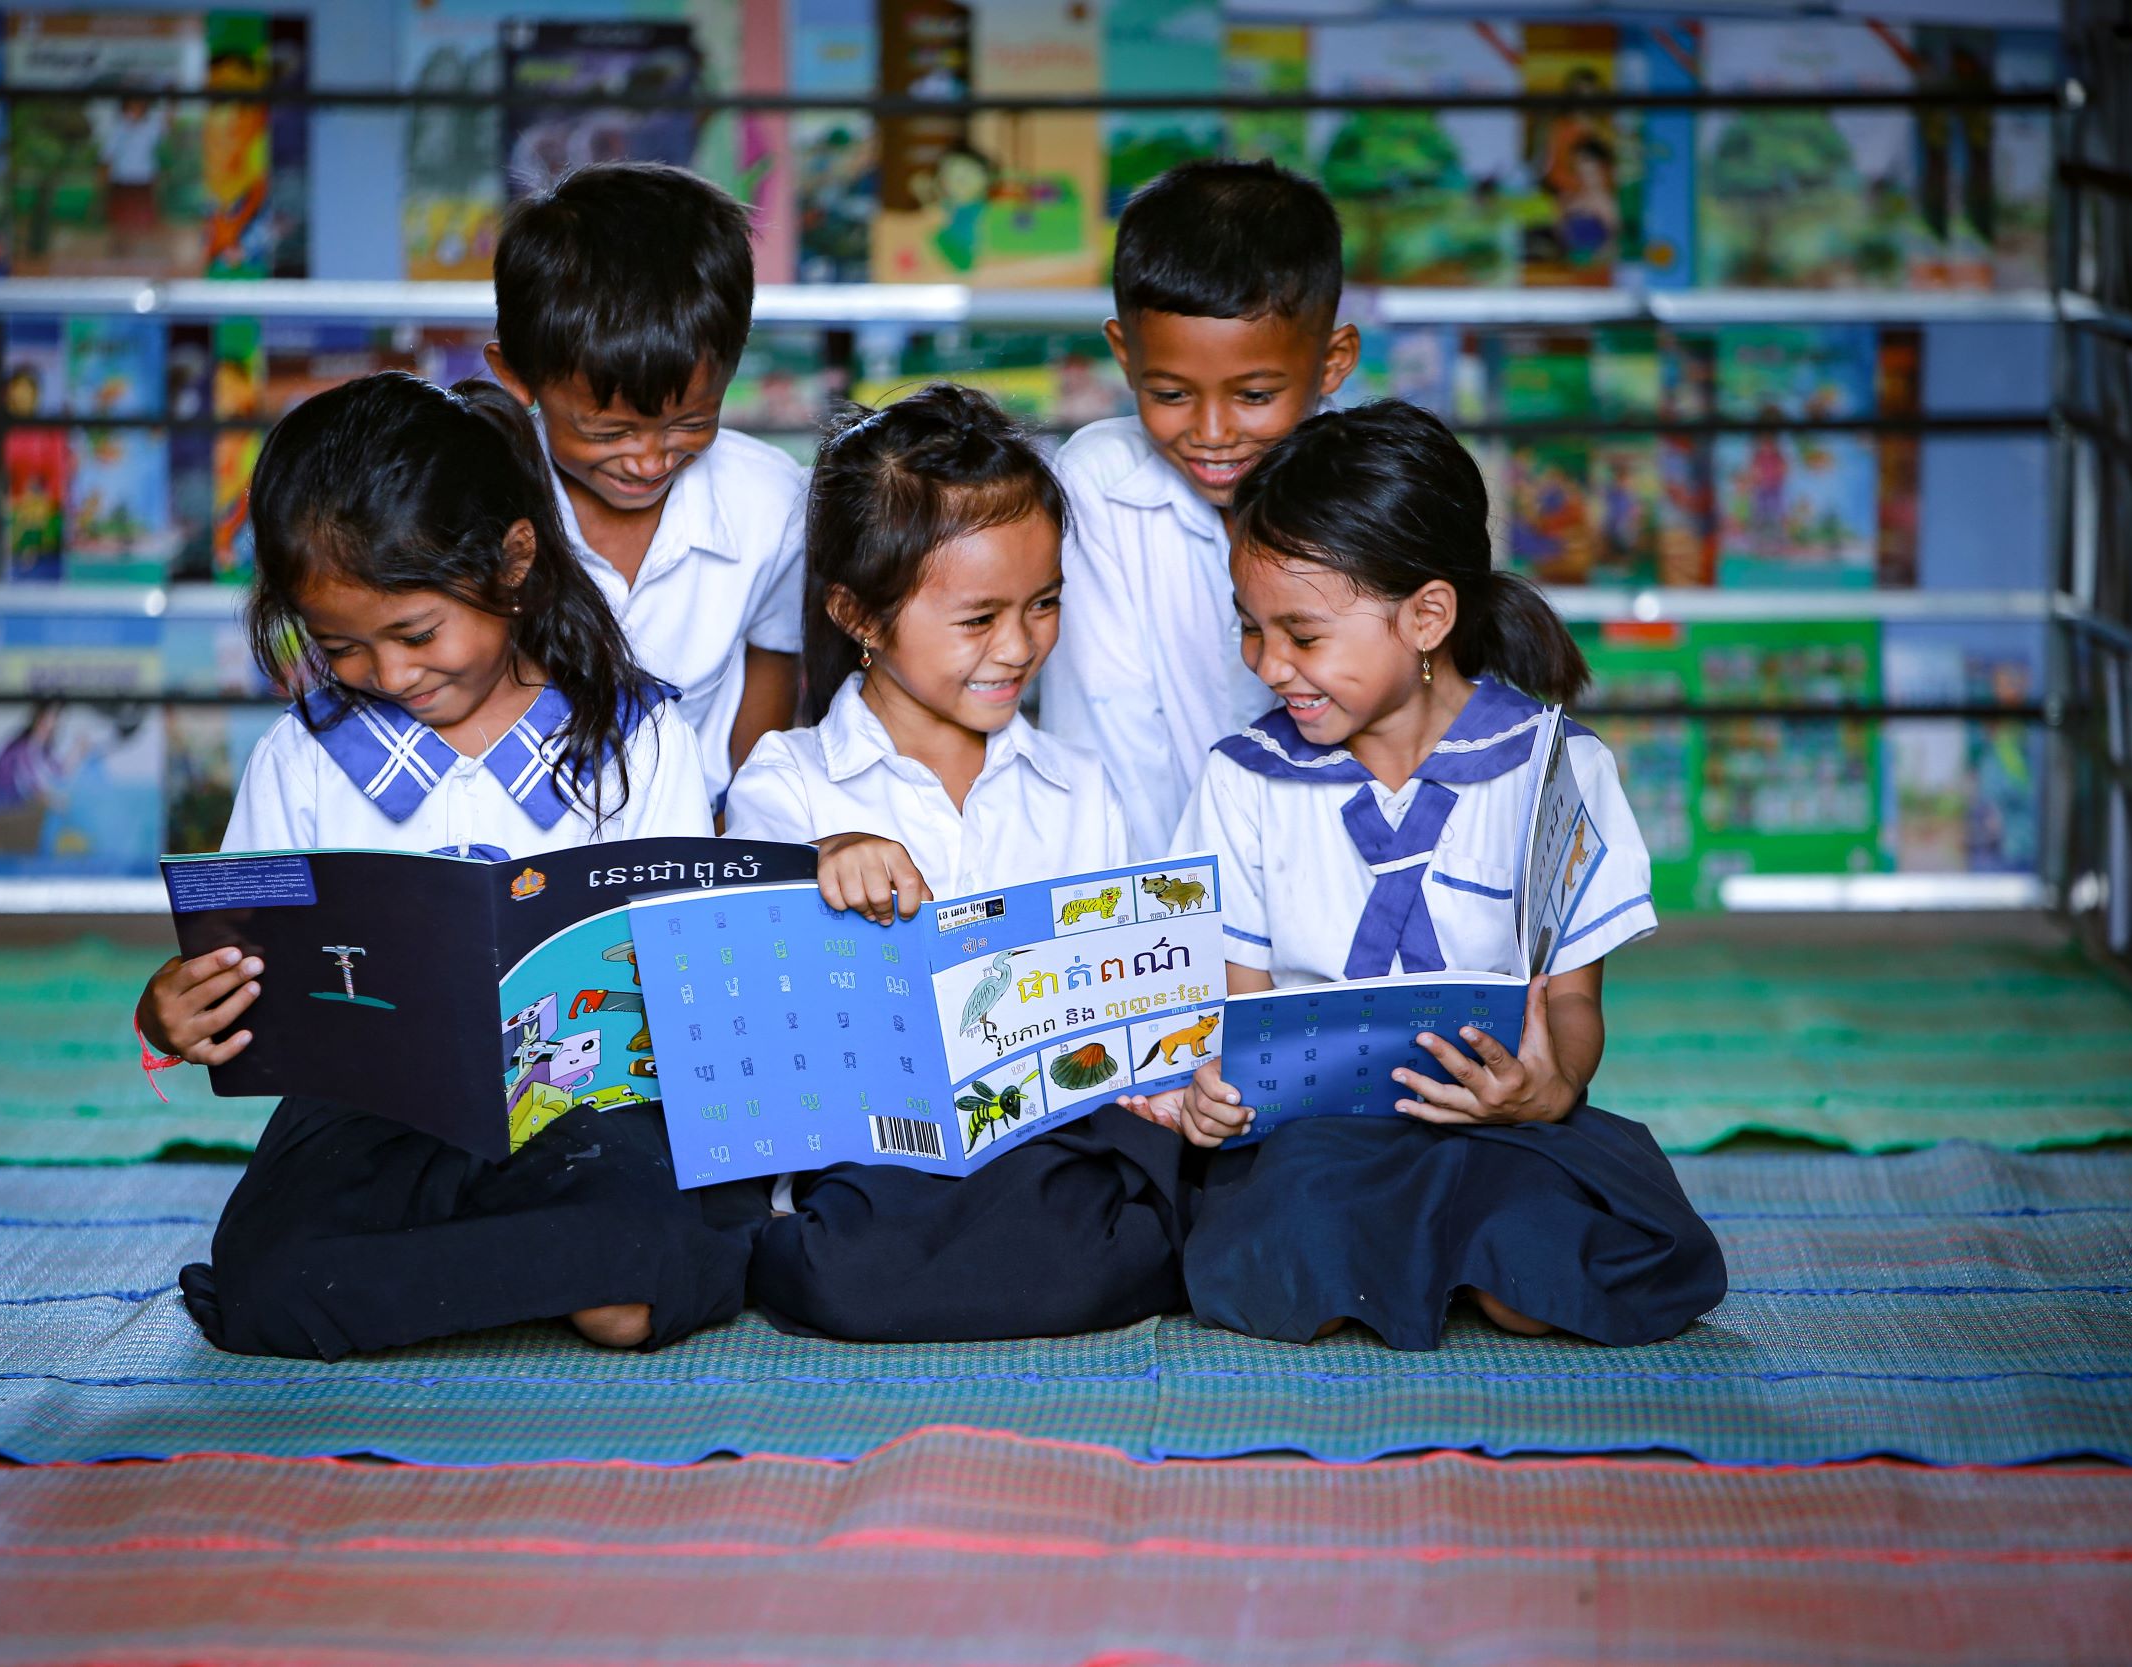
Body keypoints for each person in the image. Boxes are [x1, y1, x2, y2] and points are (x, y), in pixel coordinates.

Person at [136, 371, 759, 1363]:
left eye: (417, 633)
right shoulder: (298, 761)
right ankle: (559, 1271)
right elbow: (248, 974)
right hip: (368, 1117)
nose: (388, 674)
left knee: (648, 1236)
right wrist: (171, 1010)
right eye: (340, 645)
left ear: (513, 560)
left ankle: (493, 1271)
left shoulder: (639, 740)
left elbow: (686, 963)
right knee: (265, 1274)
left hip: (581, 1108)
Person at [1122, 400, 1727, 1351]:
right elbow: (1231, 1012)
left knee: (1602, 1248)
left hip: (1499, 1127)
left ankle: (1458, 1254)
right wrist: (1209, 1089)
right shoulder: (1243, 778)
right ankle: (1426, 1257)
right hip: (1316, 1137)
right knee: (1283, 1241)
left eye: (1304, 634)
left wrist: (1547, 1086)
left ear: (1428, 617)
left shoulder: (1553, 769)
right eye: (1251, 629)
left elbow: (1569, 1003)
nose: (1270, 664)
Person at [726, 383, 1182, 1342]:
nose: (1019, 647)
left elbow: (1128, 1016)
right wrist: (820, 862)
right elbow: (752, 1014)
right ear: (858, 611)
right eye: (979, 619)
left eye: (1045, 604)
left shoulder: (1079, 786)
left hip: (1043, 1138)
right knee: (853, 1267)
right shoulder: (788, 781)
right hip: (872, 1146)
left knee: (1115, 1219)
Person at [1038, 159, 1362, 859]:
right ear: (1124, 356)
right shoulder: (1101, 484)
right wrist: (1178, 927)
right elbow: (1108, 739)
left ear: (1334, 361)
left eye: (1253, 396)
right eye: (1173, 393)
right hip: (1165, 911)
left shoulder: (1378, 484)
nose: (1212, 433)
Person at [486, 161, 805, 813]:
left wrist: (745, 821)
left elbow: (773, 661)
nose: (650, 458)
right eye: (609, 432)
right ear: (517, 377)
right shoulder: (476, 502)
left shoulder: (771, 503)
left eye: (691, 420)